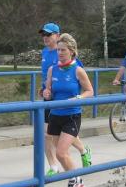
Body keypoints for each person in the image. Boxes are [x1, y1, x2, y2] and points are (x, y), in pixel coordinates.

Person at [39, 22, 93, 176]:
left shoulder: (73, 61)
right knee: (46, 135)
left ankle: (82, 151)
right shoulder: (45, 53)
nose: (45, 37)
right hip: (52, 100)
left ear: (57, 35)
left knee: (61, 141)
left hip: (70, 107)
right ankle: (54, 167)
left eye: (48, 34)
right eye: (43, 35)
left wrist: (78, 97)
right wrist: (45, 90)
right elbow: (48, 78)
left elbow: (78, 78)